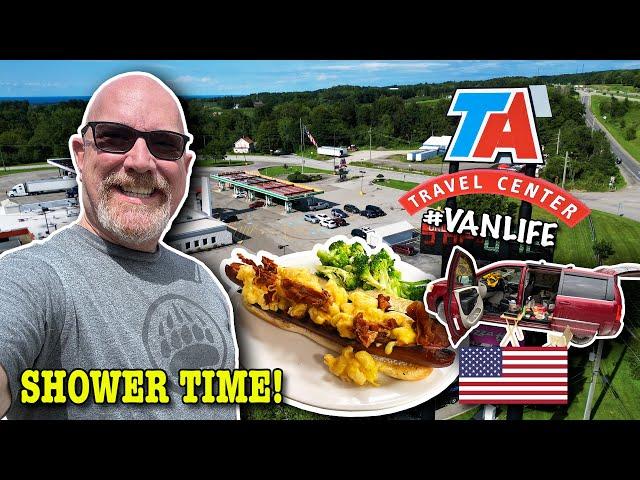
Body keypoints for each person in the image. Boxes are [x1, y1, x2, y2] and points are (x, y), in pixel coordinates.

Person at [0, 72, 238, 419]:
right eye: (114, 137)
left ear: (185, 169)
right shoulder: (36, 278)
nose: (140, 161)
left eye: (165, 144)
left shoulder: (204, 282)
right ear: (80, 156)